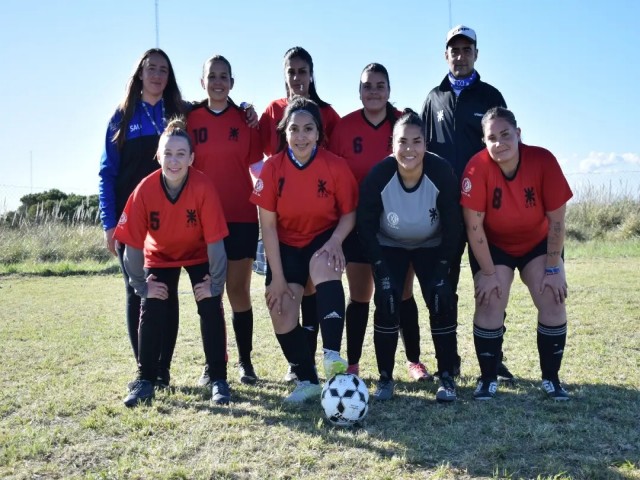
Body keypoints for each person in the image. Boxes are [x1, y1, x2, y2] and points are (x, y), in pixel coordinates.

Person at [114, 119, 230, 407]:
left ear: (191, 158)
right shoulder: (144, 189)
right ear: (158, 156)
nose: (174, 160)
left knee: (210, 304)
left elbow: (216, 243)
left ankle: (218, 377)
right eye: (167, 153)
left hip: (199, 253)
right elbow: (131, 244)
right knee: (152, 306)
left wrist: (215, 284)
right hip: (160, 254)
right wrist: (141, 286)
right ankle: (146, 379)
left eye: (181, 154)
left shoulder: (203, 186)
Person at [250, 97, 358, 403]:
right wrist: (278, 279)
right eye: (294, 129)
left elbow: (349, 213)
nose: (301, 136)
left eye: (308, 129)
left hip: (323, 238)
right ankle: (307, 378)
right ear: (284, 132)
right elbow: (268, 226)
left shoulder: (335, 166)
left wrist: (336, 241)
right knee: (280, 309)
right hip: (285, 245)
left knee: (326, 266)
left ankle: (332, 356)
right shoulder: (272, 169)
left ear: (318, 133)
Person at [421, 25, 513, 380]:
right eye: (454, 50)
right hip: (444, 208)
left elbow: (505, 150)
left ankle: (494, 356)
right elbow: (422, 152)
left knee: (489, 280)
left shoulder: (490, 96)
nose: (460, 56)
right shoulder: (433, 97)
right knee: (444, 284)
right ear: (446, 55)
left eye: (466, 49)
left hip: (485, 208)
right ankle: (450, 359)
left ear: (476, 53)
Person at [461, 107, 572, 401]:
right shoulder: (476, 167)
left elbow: (557, 221)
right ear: (484, 141)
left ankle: (551, 379)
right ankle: (487, 379)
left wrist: (552, 268)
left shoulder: (543, 160)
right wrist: (487, 273)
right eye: (492, 137)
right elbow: (474, 228)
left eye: (506, 134)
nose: (500, 143)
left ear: (518, 134)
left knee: (552, 295)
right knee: (490, 299)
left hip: (538, 243)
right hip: (494, 245)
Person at [330, 64, 431, 380]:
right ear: (358, 91)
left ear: (389, 89)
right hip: (359, 224)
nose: (373, 91)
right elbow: (334, 176)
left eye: (380, 85)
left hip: (399, 223)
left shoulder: (403, 122)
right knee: (360, 294)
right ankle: (353, 362)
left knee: (402, 292)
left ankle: (413, 360)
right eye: (367, 85)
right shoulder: (344, 128)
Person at [357, 111, 463, 402]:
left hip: (432, 244)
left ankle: (446, 377)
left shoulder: (440, 171)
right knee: (388, 298)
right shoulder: (380, 175)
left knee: (441, 297)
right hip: (389, 243)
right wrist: (379, 266)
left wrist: (443, 267)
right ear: (392, 144)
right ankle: (385, 378)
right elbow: (365, 223)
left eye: (416, 141)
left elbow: (454, 225)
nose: (409, 149)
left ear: (425, 143)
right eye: (402, 142)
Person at [99, 48, 187, 389]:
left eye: (164, 69)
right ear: (139, 74)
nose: (157, 75)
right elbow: (107, 174)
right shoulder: (121, 118)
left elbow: (216, 105)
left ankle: (163, 369)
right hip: (129, 224)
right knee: (137, 292)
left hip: (170, 223)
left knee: (168, 292)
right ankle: (145, 370)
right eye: (151, 68)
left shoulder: (177, 115)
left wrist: (246, 110)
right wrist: (109, 224)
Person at [258, 46, 342, 382]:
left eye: (302, 71)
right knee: (285, 296)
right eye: (291, 71)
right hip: (284, 221)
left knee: (317, 284)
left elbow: (333, 160)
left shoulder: (327, 114)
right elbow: (256, 146)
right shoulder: (272, 111)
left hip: (319, 221)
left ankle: (330, 357)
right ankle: (303, 370)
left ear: (311, 74)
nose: (297, 78)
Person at [187, 55, 263, 386]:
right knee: (209, 294)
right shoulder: (191, 119)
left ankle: (246, 363)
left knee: (237, 291)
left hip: (241, 217)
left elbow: (257, 166)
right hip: (202, 221)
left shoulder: (245, 119)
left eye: (224, 77)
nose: (218, 82)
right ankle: (213, 364)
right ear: (202, 82)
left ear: (232, 82)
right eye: (212, 76)